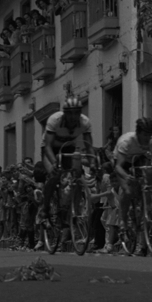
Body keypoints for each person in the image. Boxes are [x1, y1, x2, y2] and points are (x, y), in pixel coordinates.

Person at [40, 95, 93, 242]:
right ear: (65, 113)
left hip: (68, 147)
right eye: (70, 113)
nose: (73, 116)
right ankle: (44, 209)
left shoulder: (84, 122)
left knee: (75, 176)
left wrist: (94, 162)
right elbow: (48, 146)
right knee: (54, 174)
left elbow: (89, 146)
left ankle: (69, 208)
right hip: (50, 149)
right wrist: (54, 163)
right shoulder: (54, 120)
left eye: (76, 112)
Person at [114, 117, 152, 255]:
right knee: (128, 191)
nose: (148, 138)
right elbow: (118, 167)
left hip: (139, 159)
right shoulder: (127, 142)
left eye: (150, 135)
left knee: (148, 171)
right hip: (123, 161)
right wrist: (125, 176)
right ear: (138, 133)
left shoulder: (151, 141)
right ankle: (123, 221)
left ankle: (147, 201)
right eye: (145, 135)